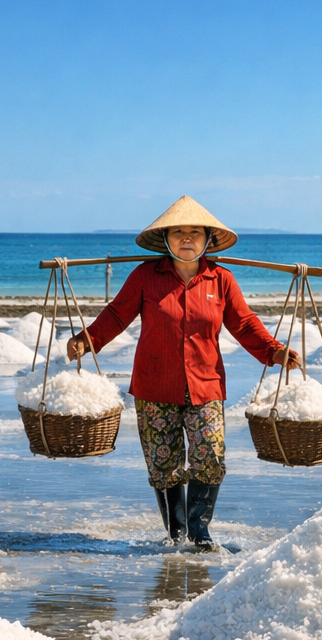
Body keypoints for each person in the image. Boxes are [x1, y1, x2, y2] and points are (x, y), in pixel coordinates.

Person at [66, 196, 301, 550]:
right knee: (164, 464)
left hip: (206, 385)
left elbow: (245, 324)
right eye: (178, 232)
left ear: (208, 239)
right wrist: (88, 340)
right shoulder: (146, 276)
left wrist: (274, 351)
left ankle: (200, 530)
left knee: (210, 456)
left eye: (195, 232)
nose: (187, 238)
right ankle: (176, 534)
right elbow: (117, 315)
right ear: (166, 239)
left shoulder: (220, 279)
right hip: (154, 387)